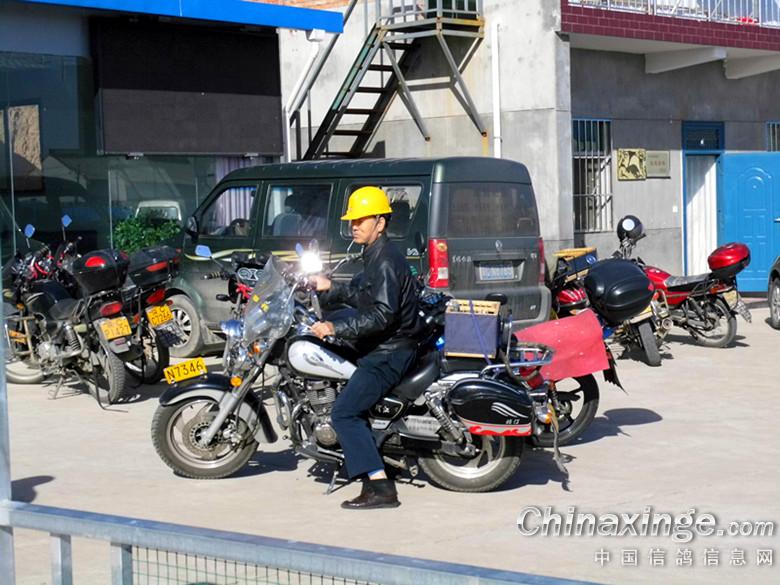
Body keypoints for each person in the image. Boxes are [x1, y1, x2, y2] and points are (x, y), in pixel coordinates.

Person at [310, 186, 420, 510]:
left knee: (343, 413)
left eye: (361, 220)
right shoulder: (375, 254)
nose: (354, 225)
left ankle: (381, 487)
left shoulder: (384, 261)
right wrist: (329, 288)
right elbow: (362, 295)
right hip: (387, 344)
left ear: (380, 223)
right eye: (352, 220)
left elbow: (383, 314)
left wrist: (335, 328)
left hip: (390, 351)